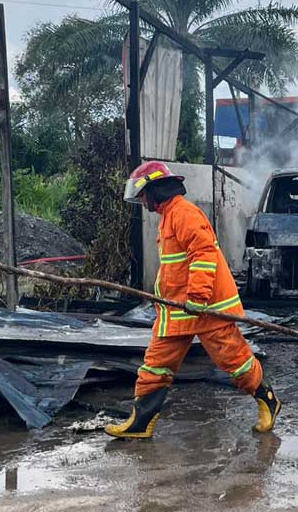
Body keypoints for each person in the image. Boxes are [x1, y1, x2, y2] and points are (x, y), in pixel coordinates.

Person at [106, 161, 282, 439]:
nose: (141, 201)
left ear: (155, 190)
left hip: (207, 308)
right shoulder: (168, 216)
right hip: (178, 311)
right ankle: (141, 422)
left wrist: (197, 296)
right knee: (155, 364)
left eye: (143, 194)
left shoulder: (184, 213)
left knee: (235, 361)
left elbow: (203, 254)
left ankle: (268, 399)